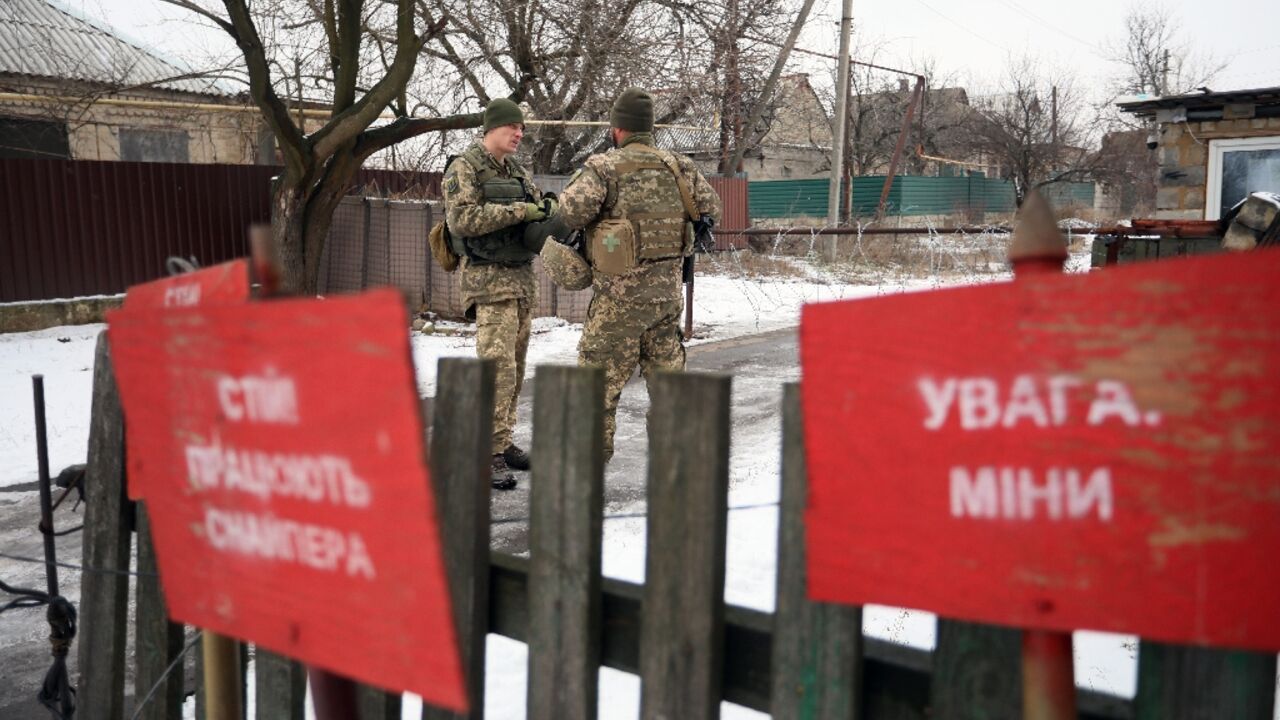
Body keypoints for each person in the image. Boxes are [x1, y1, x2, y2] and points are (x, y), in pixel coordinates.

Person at [532, 87, 721, 462]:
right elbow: (710, 209)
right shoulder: (680, 166)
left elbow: (567, 215)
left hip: (616, 307)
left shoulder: (603, 168)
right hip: (666, 304)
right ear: (649, 129)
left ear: (618, 128)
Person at [443, 98, 556, 489]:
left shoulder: (516, 171)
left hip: (521, 281)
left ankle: (502, 441)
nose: (520, 134)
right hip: (489, 284)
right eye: (514, 127)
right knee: (496, 371)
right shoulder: (465, 167)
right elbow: (462, 218)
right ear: (492, 127)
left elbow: (533, 207)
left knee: (516, 370)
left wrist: (545, 209)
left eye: (522, 128)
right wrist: (521, 213)